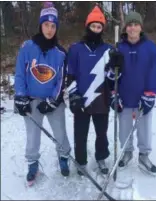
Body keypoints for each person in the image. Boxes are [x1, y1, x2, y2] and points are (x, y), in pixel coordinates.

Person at [14, 2, 71, 182]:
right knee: (32, 135)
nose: (49, 29)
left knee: (60, 132)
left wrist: (53, 100)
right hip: (31, 99)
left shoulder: (61, 52)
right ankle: (32, 163)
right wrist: (21, 98)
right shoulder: (27, 47)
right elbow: (20, 74)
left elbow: (62, 79)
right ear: (41, 25)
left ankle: (63, 157)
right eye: (46, 25)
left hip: (53, 101)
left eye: (53, 25)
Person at [66, 6, 122, 175]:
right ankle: (81, 161)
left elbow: (112, 80)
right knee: (80, 134)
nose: (96, 30)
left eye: (99, 27)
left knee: (101, 133)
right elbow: (70, 74)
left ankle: (101, 157)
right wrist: (73, 95)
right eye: (93, 26)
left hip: (101, 98)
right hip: (82, 98)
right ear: (87, 26)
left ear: (102, 29)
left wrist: (116, 66)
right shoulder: (76, 48)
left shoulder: (108, 50)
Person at [109, 11, 156, 174]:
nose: (132, 28)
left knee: (144, 129)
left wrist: (150, 95)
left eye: (135, 24)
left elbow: (153, 72)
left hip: (142, 98)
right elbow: (111, 76)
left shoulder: (150, 47)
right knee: (124, 130)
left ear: (140, 27)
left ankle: (144, 155)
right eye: (129, 25)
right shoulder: (118, 48)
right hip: (124, 97)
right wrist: (113, 94)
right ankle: (127, 153)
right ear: (125, 28)